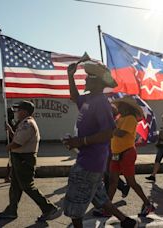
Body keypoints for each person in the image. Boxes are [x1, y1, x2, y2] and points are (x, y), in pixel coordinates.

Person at [63, 60, 138, 228]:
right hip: (91, 159)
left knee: (75, 205)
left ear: (97, 82)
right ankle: (126, 221)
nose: (85, 80)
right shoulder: (89, 98)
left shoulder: (101, 101)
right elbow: (75, 97)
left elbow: (108, 132)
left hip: (90, 161)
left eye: (89, 77)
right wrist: (70, 76)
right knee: (100, 197)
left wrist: (80, 141)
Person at [0, 101, 59, 222]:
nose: (17, 112)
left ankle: (48, 208)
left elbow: (18, 143)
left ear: (24, 111)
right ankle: (11, 210)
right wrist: (10, 130)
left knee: (27, 186)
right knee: (15, 186)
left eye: (18, 110)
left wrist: (8, 147)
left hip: (24, 159)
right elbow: (18, 138)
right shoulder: (23, 123)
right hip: (20, 158)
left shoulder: (27, 124)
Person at [108, 96, 155, 217]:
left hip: (126, 153)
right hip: (116, 153)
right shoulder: (119, 118)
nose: (118, 108)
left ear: (127, 107)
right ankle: (107, 207)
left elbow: (120, 133)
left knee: (131, 182)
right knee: (112, 181)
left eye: (121, 106)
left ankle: (148, 204)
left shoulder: (130, 118)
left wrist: (109, 127)